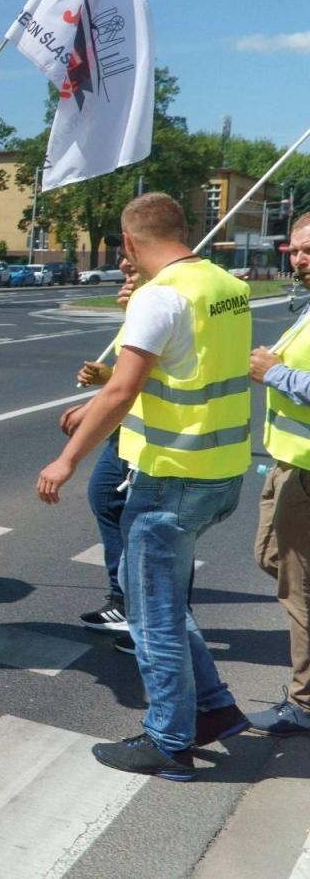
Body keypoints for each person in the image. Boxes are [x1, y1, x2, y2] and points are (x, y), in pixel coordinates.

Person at [37, 193, 252, 781]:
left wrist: (66, 460)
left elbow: (124, 389)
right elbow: (183, 371)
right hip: (221, 469)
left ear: (129, 243)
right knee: (166, 605)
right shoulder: (226, 284)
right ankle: (215, 710)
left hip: (171, 476)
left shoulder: (159, 297)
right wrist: (94, 407)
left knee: (150, 614)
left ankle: (168, 741)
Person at [245, 210, 310, 736]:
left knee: (299, 588)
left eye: (307, 248)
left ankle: (305, 703)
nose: (297, 257)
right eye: (292, 249)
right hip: (289, 464)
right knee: (272, 559)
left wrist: (277, 373)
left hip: (308, 472)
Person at [60, 255, 139, 635]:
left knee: (152, 529)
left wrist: (67, 459)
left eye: (132, 262)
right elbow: (124, 378)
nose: (124, 268)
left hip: (156, 436)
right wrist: (96, 397)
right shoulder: (142, 306)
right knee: (107, 496)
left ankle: (143, 620)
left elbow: (135, 383)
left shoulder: (163, 303)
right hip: (132, 429)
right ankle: (124, 601)